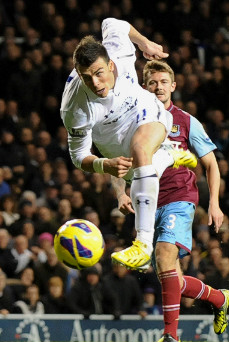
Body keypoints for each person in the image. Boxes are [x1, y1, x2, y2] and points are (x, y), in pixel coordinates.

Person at [112, 60, 229, 342]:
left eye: (163, 82)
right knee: (172, 279)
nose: (158, 87)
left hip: (180, 198)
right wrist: (120, 192)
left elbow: (211, 164)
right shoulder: (134, 121)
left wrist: (214, 203)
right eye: (153, 82)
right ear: (145, 87)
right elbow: (116, 160)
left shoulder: (187, 121)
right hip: (147, 205)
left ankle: (170, 337)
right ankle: (219, 297)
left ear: (173, 86)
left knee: (166, 255)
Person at [60, 17, 197, 270]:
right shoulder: (74, 108)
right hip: (111, 140)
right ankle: (167, 155)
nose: (96, 83)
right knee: (140, 171)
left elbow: (113, 23)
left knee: (140, 149)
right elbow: (78, 157)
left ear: (111, 64)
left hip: (144, 111)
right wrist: (104, 164)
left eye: (100, 73)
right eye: (87, 77)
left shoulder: (119, 52)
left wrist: (146, 44)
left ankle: (142, 244)